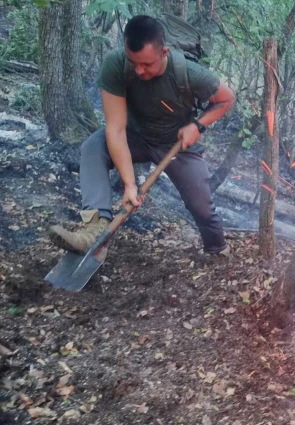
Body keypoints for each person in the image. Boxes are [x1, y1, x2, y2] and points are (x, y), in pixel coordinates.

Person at [49, 15, 235, 256]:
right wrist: (129, 185)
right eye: (133, 62)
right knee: (93, 148)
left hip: (175, 145)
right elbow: (115, 129)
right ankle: (95, 231)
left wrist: (198, 126)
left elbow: (227, 98)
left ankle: (217, 250)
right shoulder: (116, 65)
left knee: (201, 206)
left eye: (147, 64)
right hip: (134, 136)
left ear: (164, 52)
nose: (139, 70)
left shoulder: (189, 72)